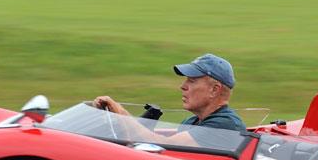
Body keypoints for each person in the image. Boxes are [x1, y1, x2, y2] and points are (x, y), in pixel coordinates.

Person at [93, 54, 246, 143]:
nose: (183, 86)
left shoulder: (225, 125)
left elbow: (164, 144)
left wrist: (120, 112)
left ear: (214, 90)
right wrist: (113, 118)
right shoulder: (191, 122)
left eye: (191, 81)